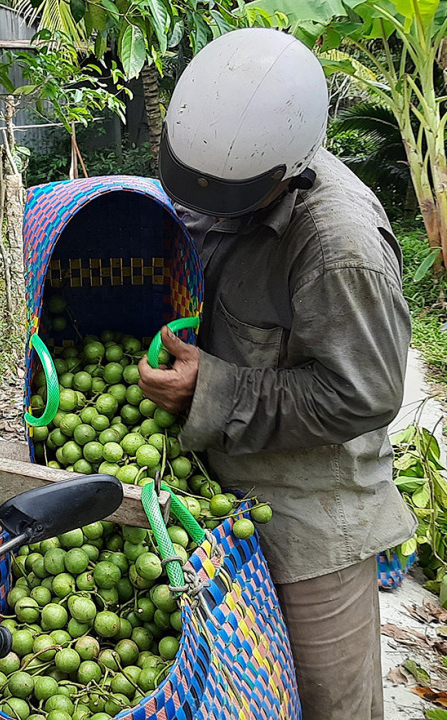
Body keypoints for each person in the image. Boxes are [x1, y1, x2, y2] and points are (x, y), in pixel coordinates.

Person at [136, 27, 415, 720]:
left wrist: (214, 389)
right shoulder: (221, 167)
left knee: (330, 705)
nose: (209, 204)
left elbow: (365, 394)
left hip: (309, 516)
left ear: (284, 172)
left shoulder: (338, 247)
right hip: (214, 497)